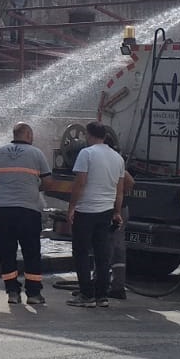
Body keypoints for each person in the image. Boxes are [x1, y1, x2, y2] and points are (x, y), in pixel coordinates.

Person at [0, 123, 53, 305]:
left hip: (3, 209)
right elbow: (49, 182)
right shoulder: (36, 153)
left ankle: (12, 293)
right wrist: (34, 188)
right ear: (29, 135)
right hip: (28, 209)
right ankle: (33, 294)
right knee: (31, 251)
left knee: (6, 251)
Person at [67, 122, 126, 308]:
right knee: (102, 254)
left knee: (81, 252)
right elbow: (120, 191)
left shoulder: (87, 154)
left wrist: (71, 207)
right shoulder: (118, 158)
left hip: (86, 210)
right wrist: (117, 212)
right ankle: (102, 296)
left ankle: (86, 295)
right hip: (106, 212)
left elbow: (80, 183)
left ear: (89, 135)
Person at [103, 129, 136, 300]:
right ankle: (113, 285)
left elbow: (129, 181)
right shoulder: (116, 158)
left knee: (110, 246)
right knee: (113, 246)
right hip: (117, 207)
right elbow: (129, 182)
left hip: (112, 208)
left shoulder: (110, 158)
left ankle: (112, 285)